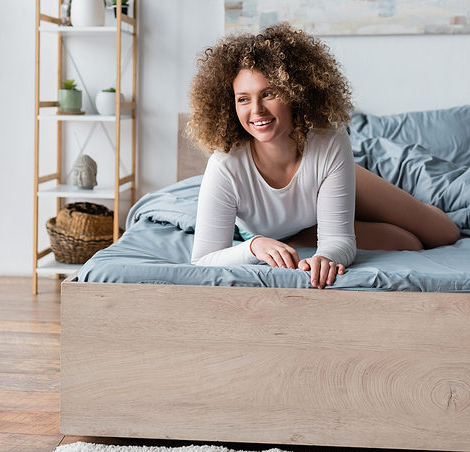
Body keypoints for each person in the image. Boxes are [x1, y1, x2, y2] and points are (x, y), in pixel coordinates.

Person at [187, 23, 460, 288]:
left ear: (294, 94)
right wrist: (254, 245)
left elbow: (337, 240)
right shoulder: (225, 165)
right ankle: (303, 234)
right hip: (289, 231)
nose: (256, 110)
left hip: (332, 181)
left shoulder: (329, 140)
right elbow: (203, 260)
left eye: (268, 94)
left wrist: (327, 255)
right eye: (243, 98)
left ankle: (403, 205)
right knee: (409, 244)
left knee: (445, 234)